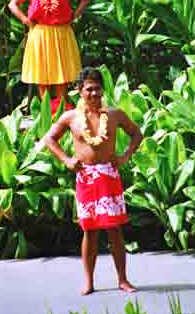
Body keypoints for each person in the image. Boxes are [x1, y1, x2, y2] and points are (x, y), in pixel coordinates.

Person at [45, 67, 143, 295]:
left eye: (98, 89)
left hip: (109, 175)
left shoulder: (115, 114)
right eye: (89, 89)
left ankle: (123, 280)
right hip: (86, 178)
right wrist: (67, 160)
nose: (94, 94)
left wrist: (125, 157)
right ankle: (89, 282)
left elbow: (136, 134)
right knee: (89, 231)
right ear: (79, 91)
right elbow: (50, 139)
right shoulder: (70, 117)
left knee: (115, 230)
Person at [8, 0, 89, 103]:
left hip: (62, 33)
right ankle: (46, 110)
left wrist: (74, 16)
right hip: (40, 34)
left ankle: (63, 107)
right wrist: (25, 20)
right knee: (42, 73)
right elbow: (13, 4)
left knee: (61, 72)